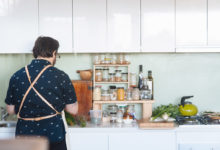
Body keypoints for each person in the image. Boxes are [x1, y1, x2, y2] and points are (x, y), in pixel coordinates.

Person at [5, 36, 78, 150]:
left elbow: (9, 110)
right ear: (54, 52)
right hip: (53, 135)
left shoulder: (16, 76)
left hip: (25, 137)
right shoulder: (61, 76)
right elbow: (73, 110)